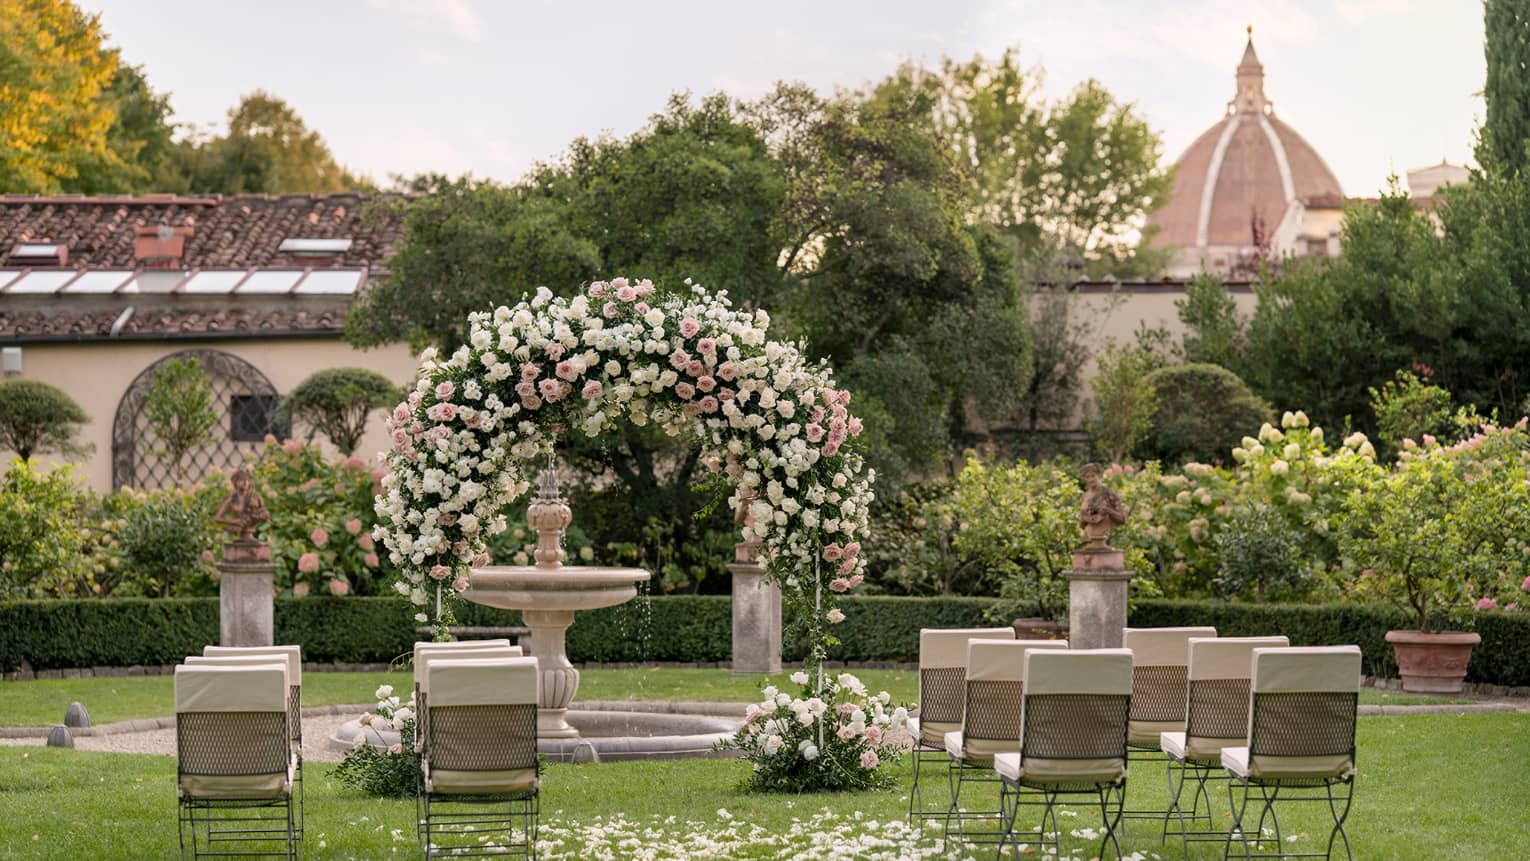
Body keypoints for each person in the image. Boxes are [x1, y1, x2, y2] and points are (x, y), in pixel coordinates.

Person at [1079, 463, 1126, 549]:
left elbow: (1122, 519)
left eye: (1093, 476)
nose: (1090, 479)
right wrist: (1085, 518)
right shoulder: (1084, 496)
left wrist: (1108, 510)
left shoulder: (1108, 494)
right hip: (1090, 537)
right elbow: (1082, 524)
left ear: (1099, 476)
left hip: (1102, 532)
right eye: (1087, 477)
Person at [215, 466, 269, 540]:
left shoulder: (256, 497)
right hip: (237, 528)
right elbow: (218, 518)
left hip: (250, 530)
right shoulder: (230, 499)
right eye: (241, 480)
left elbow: (265, 514)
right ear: (235, 482)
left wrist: (258, 516)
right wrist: (235, 521)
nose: (245, 482)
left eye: (247, 480)